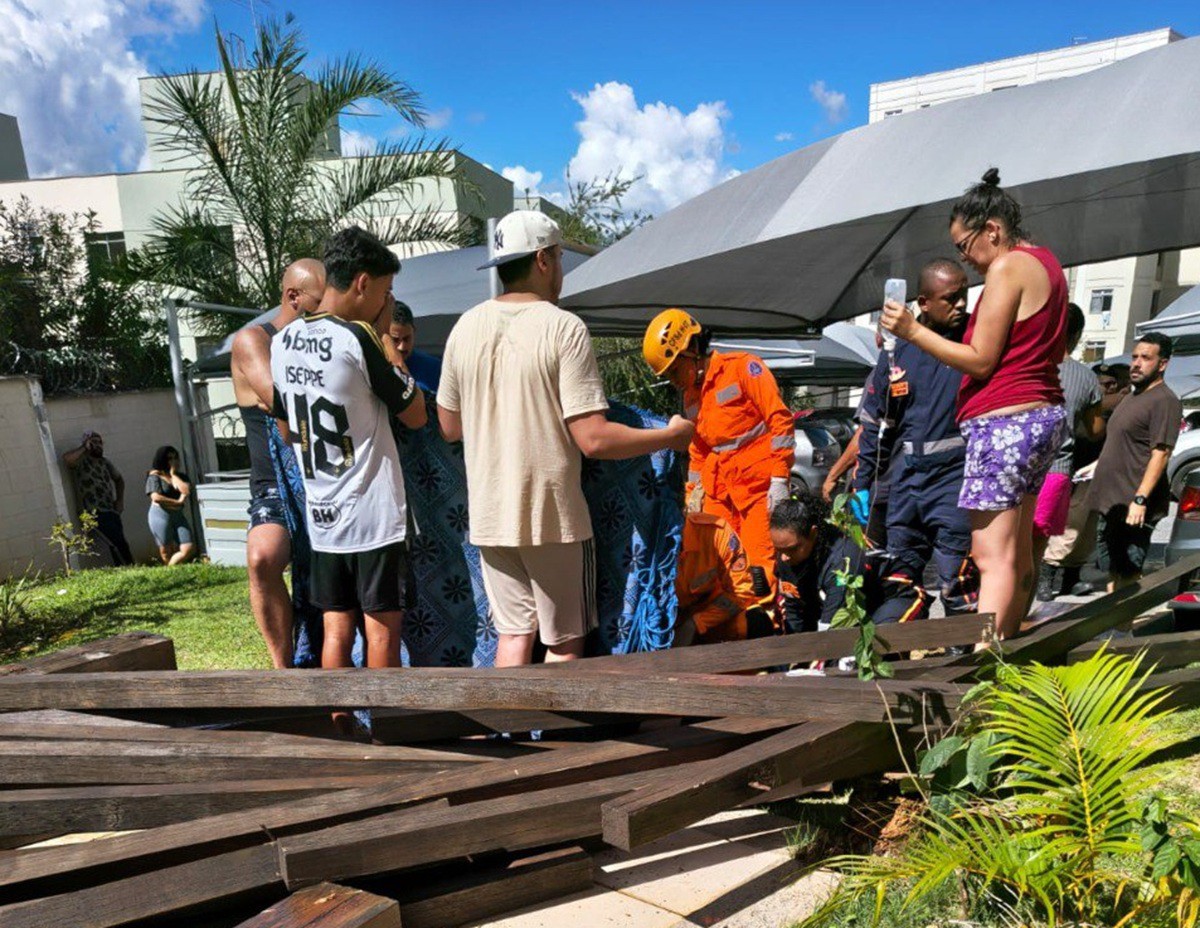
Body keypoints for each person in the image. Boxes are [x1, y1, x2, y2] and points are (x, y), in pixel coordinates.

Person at [438, 210, 693, 667]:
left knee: (513, 637)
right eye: (558, 258)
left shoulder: (464, 328)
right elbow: (593, 439)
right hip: (549, 514)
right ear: (542, 259)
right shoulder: (563, 328)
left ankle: (509, 735)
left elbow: (450, 427)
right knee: (564, 642)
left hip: (489, 513)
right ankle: (560, 740)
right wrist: (669, 438)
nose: (560, 270)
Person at [882, 168, 1069, 641]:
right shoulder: (1046, 262)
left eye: (966, 247)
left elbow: (980, 361)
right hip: (1039, 416)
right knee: (1019, 552)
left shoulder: (1007, 268)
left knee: (991, 557)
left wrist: (911, 330)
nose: (967, 262)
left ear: (993, 230)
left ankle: (986, 664)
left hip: (1005, 423)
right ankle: (1008, 649)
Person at [272, 227, 426, 710]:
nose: (385, 301)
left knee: (335, 629)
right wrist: (384, 334)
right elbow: (416, 413)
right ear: (362, 284)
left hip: (322, 514)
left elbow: (283, 430)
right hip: (374, 515)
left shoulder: (284, 341)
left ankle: (337, 722)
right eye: (383, 292)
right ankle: (387, 725)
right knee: (382, 629)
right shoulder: (357, 337)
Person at [643, 308, 795, 610]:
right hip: (720, 494)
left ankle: (763, 642)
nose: (673, 381)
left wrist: (779, 479)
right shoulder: (691, 396)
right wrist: (692, 495)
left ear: (692, 350)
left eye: (674, 370)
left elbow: (780, 421)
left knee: (758, 573)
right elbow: (699, 448)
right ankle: (725, 637)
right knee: (720, 570)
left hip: (756, 492)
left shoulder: (743, 368)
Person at [855, 259, 980, 617]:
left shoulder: (975, 339)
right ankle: (900, 657)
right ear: (923, 303)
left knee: (957, 579)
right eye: (950, 299)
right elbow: (873, 419)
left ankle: (963, 660)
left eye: (964, 297)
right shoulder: (897, 350)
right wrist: (862, 482)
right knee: (900, 578)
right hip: (907, 479)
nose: (960, 306)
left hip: (956, 478)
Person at [231, 258, 326, 669]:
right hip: (274, 483)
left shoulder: (330, 337)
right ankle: (281, 667)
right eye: (322, 302)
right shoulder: (254, 340)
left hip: (327, 476)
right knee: (262, 558)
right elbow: (284, 405)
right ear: (293, 297)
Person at [1086, 332, 1182, 590]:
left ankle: (1121, 629)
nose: (1136, 364)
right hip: (1112, 501)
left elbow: (1161, 454)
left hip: (1134, 506)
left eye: (1146, 358)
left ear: (1162, 364)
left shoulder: (1165, 400)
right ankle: (1112, 626)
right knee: (1112, 571)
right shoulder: (1132, 396)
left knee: (1127, 575)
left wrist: (1140, 499)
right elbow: (1125, 443)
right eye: (1135, 357)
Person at [769, 493, 927, 635]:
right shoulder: (787, 554)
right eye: (778, 550)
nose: (783, 558)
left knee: (873, 645)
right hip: (854, 607)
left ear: (813, 533)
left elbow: (831, 633)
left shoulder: (843, 560)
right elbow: (795, 612)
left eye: (792, 549)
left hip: (896, 595)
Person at [1033, 304, 1105, 601]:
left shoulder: (1025, 366)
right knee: (1041, 538)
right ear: (1075, 336)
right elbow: (1095, 430)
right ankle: (1040, 583)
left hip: (1016, 467)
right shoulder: (1086, 378)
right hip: (1057, 470)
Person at [674, 510, 769, 646]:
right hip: (661, 627)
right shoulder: (638, 546)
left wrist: (697, 622)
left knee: (757, 622)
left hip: (709, 619)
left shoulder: (715, 532)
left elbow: (742, 591)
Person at [62, 430, 133, 566]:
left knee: (119, 542)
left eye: (100, 442)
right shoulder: (81, 462)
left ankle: (127, 567)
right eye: (94, 442)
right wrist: (84, 448)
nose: (98, 445)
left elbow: (119, 480)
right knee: (115, 542)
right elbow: (67, 459)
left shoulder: (105, 463)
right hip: (94, 511)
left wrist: (120, 501)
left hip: (110, 509)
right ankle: (127, 567)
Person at [145, 445, 196, 565]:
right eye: (169, 458)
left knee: (188, 547)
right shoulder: (154, 477)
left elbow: (186, 490)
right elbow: (156, 497)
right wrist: (177, 502)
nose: (173, 461)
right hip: (160, 515)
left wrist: (173, 474)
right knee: (165, 550)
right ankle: (173, 573)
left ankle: (172, 568)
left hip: (177, 515)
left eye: (175, 458)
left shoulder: (181, 476)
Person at [383, 293, 442, 392]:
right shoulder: (374, 369)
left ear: (414, 332)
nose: (402, 347)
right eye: (395, 340)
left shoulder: (434, 368)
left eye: (406, 338)